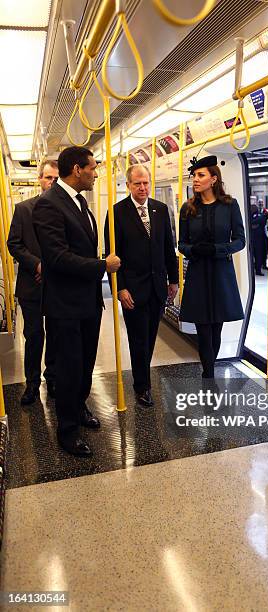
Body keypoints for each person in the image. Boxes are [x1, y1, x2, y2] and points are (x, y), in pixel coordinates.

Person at [32, 146, 120, 457]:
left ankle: (80, 408)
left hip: (87, 302)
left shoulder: (80, 202)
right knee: (68, 369)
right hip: (65, 305)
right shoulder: (48, 205)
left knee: (84, 364)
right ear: (76, 170)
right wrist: (101, 266)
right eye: (92, 168)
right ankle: (67, 431)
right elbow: (57, 258)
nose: (96, 173)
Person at [104, 164, 178, 407]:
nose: (143, 188)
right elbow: (112, 255)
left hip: (157, 287)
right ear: (128, 185)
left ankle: (142, 377)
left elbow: (169, 247)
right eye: (137, 184)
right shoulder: (116, 213)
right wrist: (120, 288)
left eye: (146, 183)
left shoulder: (160, 209)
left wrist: (174, 280)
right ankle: (142, 386)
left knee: (150, 337)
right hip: (132, 291)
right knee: (138, 339)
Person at [178, 155, 245, 379]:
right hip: (198, 273)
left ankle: (210, 369)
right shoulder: (187, 209)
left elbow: (240, 240)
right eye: (194, 175)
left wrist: (218, 250)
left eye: (201, 175)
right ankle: (208, 374)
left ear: (213, 179)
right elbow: (181, 244)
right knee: (203, 330)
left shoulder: (230, 205)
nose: (195, 180)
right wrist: (194, 250)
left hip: (220, 274)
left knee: (216, 328)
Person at [8, 160, 59, 405]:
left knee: (56, 334)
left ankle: (52, 378)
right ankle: (31, 383)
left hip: (57, 285)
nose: (52, 182)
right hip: (31, 284)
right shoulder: (23, 209)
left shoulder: (64, 210)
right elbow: (14, 244)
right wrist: (37, 265)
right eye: (48, 177)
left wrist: (50, 268)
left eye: (56, 178)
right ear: (40, 179)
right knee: (34, 335)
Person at [250, 204, 266, 275]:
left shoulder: (260, 215)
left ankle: (258, 270)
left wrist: (252, 223)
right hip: (251, 239)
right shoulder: (249, 215)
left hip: (259, 240)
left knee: (258, 256)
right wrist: (253, 224)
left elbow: (261, 220)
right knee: (251, 256)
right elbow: (249, 222)